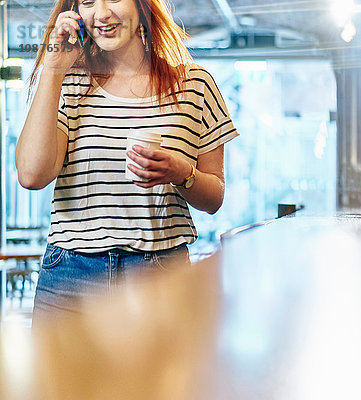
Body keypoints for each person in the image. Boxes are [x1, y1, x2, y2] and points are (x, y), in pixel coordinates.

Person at [15, 0, 238, 322]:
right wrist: (52, 70)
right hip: (70, 275)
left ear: (142, 6)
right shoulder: (69, 82)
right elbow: (31, 175)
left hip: (161, 273)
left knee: (165, 375)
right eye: (88, 2)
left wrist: (182, 173)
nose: (102, 13)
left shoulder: (195, 84)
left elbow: (214, 197)